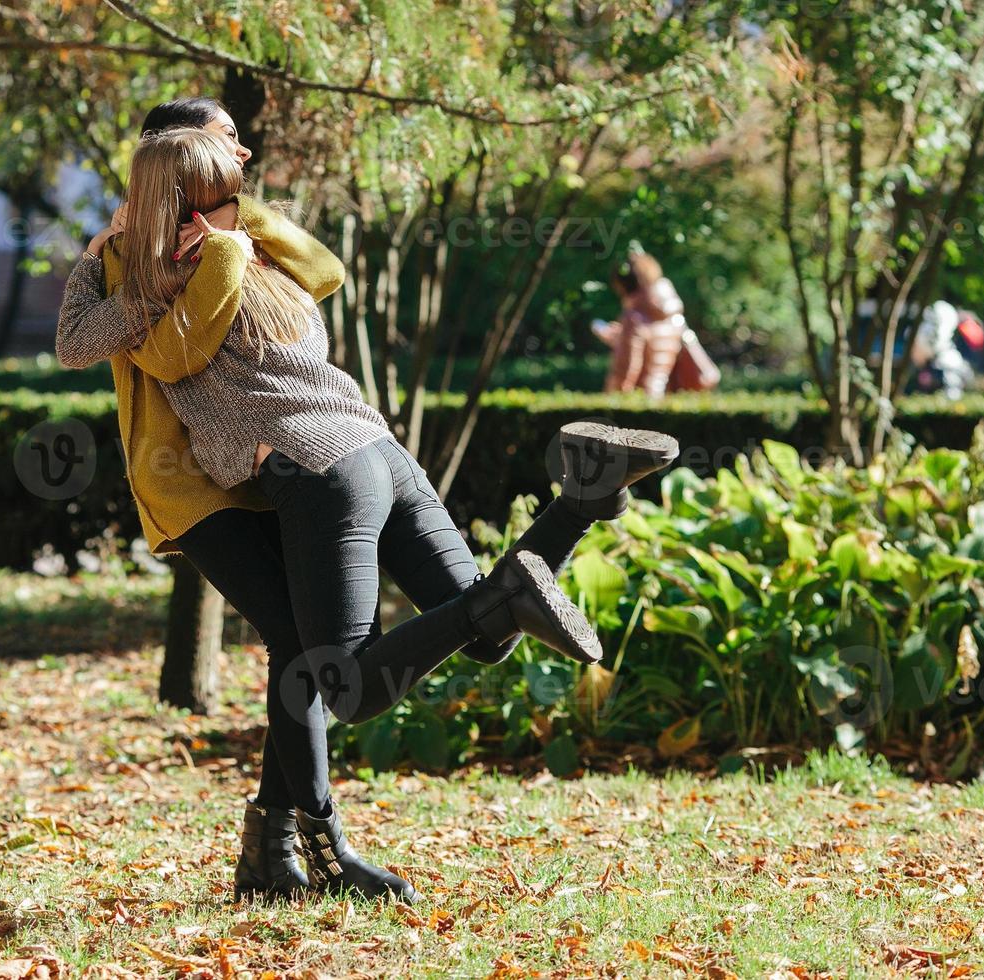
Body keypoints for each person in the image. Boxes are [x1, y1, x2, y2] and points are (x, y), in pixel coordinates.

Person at [57, 108, 679, 905]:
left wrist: (211, 243)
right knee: (465, 637)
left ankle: (315, 849)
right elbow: (101, 333)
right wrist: (130, 252)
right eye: (225, 147)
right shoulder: (204, 267)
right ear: (177, 178)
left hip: (313, 468)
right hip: (366, 450)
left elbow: (173, 348)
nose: (243, 153)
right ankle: (582, 498)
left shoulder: (218, 257)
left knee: (343, 679)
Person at [595, 250, 717, 397]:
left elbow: (624, 373)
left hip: (637, 404)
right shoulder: (672, 316)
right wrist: (620, 339)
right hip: (659, 397)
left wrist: (607, 405)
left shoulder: (634, 318)